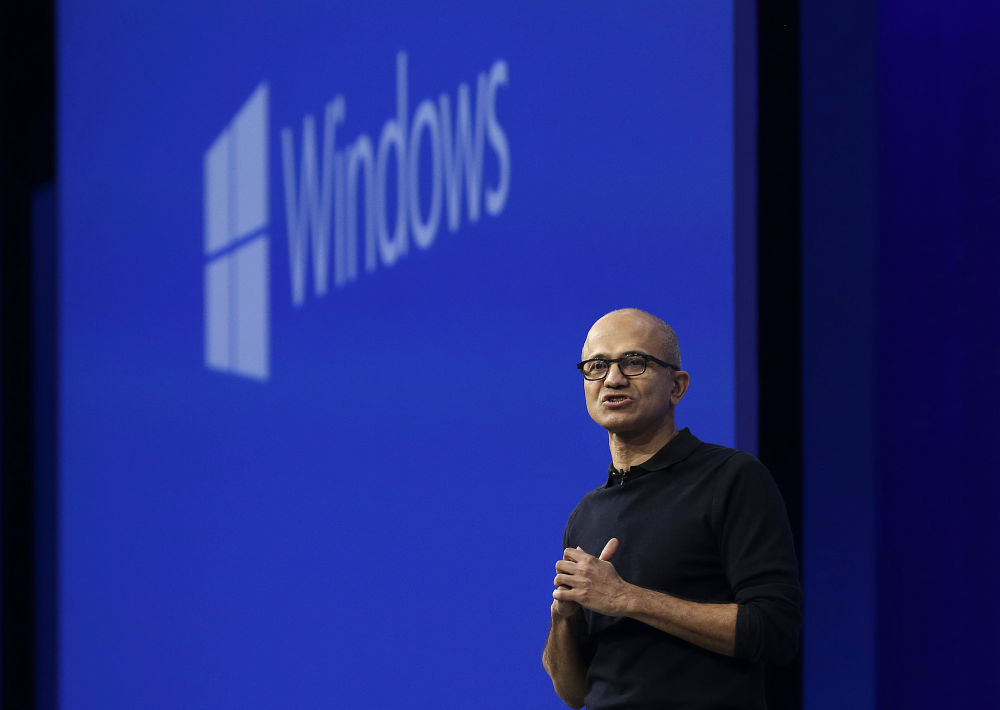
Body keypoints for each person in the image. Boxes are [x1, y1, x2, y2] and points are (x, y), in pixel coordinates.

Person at [542, 308, 801, 709]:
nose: (613, 379)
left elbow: (774, 631)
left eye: (634, 362)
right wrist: (564, 616)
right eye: (597, 366)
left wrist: (628, 598)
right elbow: (575, 694)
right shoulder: (586, 513)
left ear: (677, 386)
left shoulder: (730, 478)